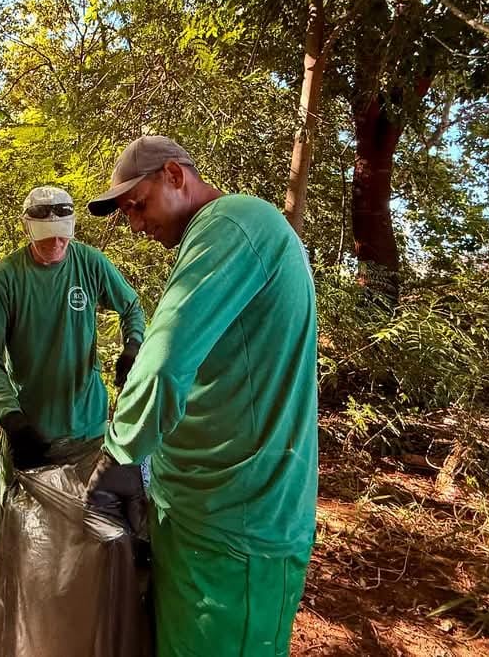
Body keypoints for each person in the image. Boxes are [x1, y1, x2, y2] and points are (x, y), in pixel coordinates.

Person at [85, 136, 318, 657]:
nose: (136, 227)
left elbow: (166, 359)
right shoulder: (218, 236)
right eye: (126, 216)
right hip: (197, 513)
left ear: (175, 175)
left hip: (238, 528)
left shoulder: (235, 223)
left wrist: (121, 455)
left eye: (138, 206)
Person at [0, 185, 146, 544]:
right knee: (30, 541)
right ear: (27, 230)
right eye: (46, 239)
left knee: (92, 537)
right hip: (32, 435)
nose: (56, 245)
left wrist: (133, 345)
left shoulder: (90, 263)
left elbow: (131, 307)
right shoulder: (6, 278)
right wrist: (10, 416)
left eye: (62, 238)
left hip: (89, 428)